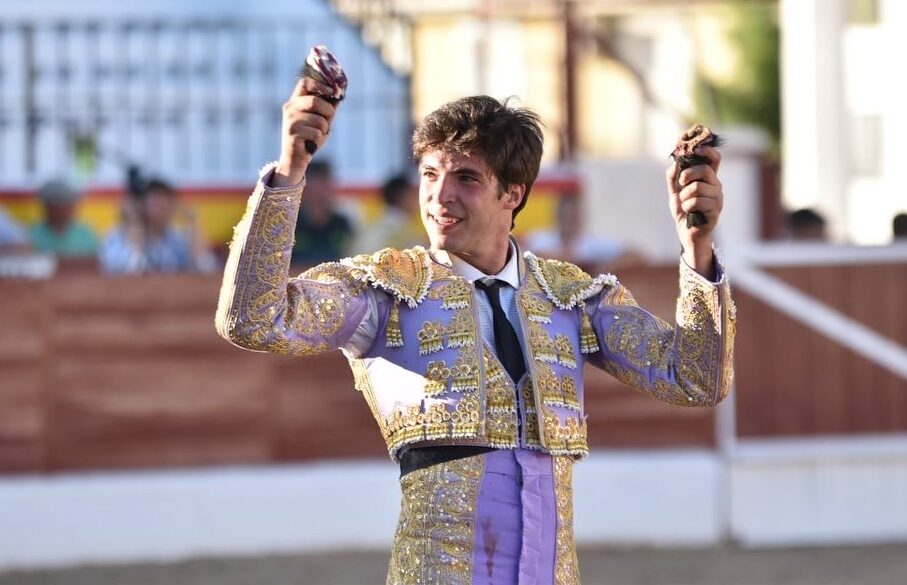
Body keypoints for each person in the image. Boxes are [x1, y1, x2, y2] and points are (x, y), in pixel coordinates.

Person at [216, 83, 735, 584]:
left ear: (514, 193)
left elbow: (694, 379)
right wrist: (289, 172)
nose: (440, 196)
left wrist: (697, 248)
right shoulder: (384, 290)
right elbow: (252, 320)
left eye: (465, 177)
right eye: (430, 173)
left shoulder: (569, 297)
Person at [100, 178, 216, 274]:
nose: (158, 206)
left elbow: (205, 268)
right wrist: (134, 226)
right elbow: (129, 271)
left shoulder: (176, 239)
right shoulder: (117, 237)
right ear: (141, 205)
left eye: (163, 200)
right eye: (153, 200)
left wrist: (193, 224)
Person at [523, 193, 643, 274]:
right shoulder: (540, 239)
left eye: (574, 218)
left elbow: (635, 255)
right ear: (558, 217)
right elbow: (518, 256)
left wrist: (607, 268)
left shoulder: (594, 244)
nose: (571, 222)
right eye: (567, 217)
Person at [290, 160, 355, 266]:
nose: (318, 193)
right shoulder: (290, 226)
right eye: (313, 187)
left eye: (323, 186)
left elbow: (353, 260)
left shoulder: (343, 223)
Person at [351, 171, 425, 254]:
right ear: (402, 197)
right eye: (412, 194)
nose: (417, 199)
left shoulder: (385, 223)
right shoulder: (397, 228)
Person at [27, 180, 99, 258]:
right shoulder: (31, 237)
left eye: (72, 204)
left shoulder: (85, 234)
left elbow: (95, 263)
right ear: (50, 208)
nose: (72, 209)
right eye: (65, 205)